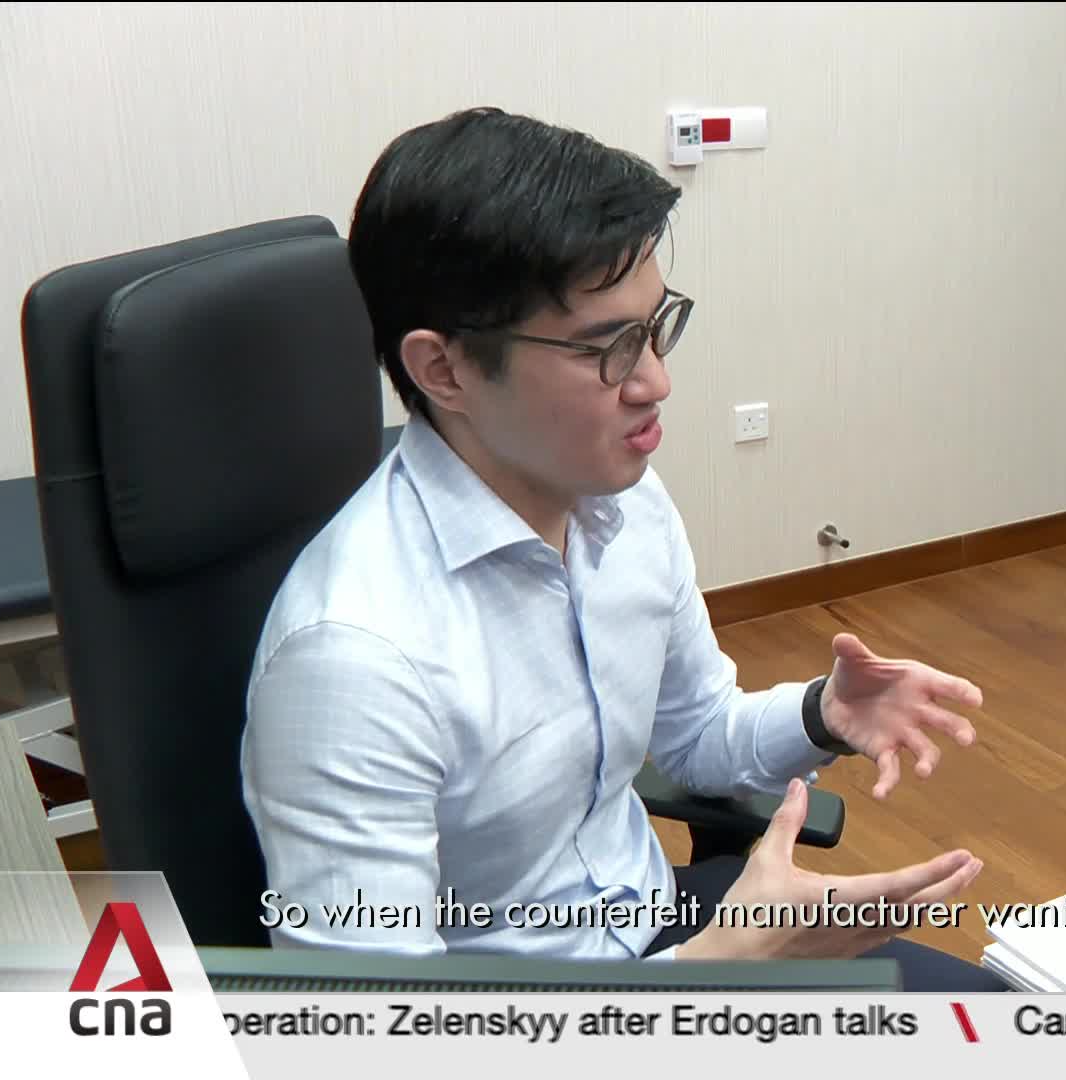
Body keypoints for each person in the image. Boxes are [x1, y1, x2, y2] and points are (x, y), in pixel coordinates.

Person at [239, 107, 1006, 990]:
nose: (656, 382)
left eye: (655, 327)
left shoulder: (622, 501)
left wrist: (820, 714)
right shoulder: (354, 663)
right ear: (444, 371)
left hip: (661, 932)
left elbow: (698, 734)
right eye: (608, 348)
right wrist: (712, 970)